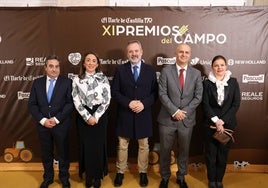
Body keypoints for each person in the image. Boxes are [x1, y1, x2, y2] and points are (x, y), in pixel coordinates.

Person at [111, 40, 158, 187]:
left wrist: (144, 104)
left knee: (144, 145)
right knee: (122, 145)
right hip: (125, 113)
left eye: (136, 51)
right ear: (127, 54)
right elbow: (115, 92)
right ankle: (120, 172)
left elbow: (155, 93)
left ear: (141, 52)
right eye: (131, 51)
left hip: (143, 114)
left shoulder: (150, 70)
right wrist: (128, 102)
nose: (134, 54)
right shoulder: (120, 70)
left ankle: (143, 173)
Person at [157, 43, 203, 188]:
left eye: (187, 52)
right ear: (176, 54)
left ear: (190, 55)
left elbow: (198, 96)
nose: (184, 54)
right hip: (167, 119)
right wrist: (175, 111)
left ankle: (181, 177)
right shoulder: (166, 71)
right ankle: (164, 177)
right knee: (165, 150)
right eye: (181, 52)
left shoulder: (196, 74)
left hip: (186, 119)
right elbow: (162, 94)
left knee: (184, 150)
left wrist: (184, 112)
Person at [28, 55, 73, 188]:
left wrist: (57, 119)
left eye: (57, 66)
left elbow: (70, 104)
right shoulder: (37, 83)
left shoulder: (67, 82)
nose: (54, 69)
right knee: (46, 153)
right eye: (51, 66)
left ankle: (64, 178)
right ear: (45, 68)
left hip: (61, 125)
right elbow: (32, 104)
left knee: (63, 153)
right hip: (43, 126)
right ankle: (48, 178)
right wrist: (43, 120)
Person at [72, 52, 111, 188]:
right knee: (86, 147)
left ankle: (98, 176)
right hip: (84, 116)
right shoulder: (77, 79)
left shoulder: (103, 78)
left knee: (98, 147)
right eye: (88, 60)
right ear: (83, 63)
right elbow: (76, 100)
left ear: (97, 64)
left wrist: (96, 116)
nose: (90, 63)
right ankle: (88, 176)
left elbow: (107, 99)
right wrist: (87, 117)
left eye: (94, 60)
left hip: (100, 115)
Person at [202, 55, 240, 188]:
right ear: (212, 67)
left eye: (222, 65)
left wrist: (223, 121)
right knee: (211, 155)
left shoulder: (234, 82)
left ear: (226, 66)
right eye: (216, 65)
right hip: (210, 125)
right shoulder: (206, 83)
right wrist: (216, 121)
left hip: (228, 125)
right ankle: (212, 180)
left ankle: (219, 180)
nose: (219, 67)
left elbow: (236, 104)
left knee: (222, 155)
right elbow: (205, 104)